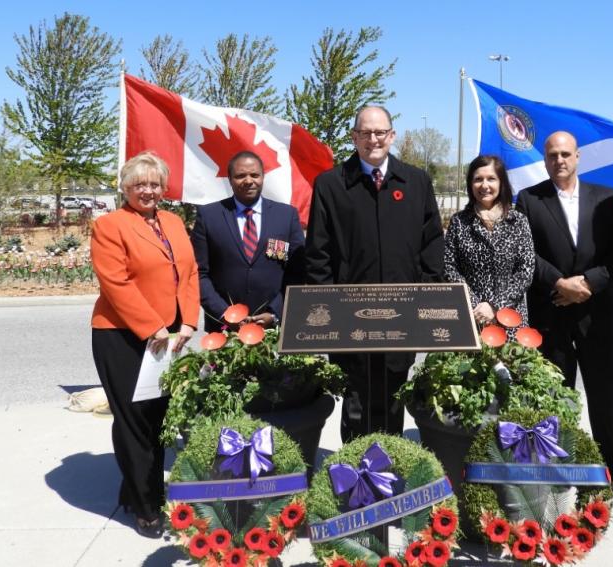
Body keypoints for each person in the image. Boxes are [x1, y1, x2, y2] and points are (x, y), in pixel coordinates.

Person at [306, 105, 444, 441]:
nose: (373, 139)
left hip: (403, 316)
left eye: (380, 132)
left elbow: (432, 247)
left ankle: (391, 468)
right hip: (349, 320)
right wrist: (328, 314)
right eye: (365, 133)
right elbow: (318, 254)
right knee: (355, 399)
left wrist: (423, 302)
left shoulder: (416, 181)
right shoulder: (330, 185)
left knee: (394, 396)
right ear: (354, 137)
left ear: (392, 135)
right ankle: (355, 477)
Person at [515, 131, 613, 495]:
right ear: (545, 158)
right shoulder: (529, 199)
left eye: (566, 154)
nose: (560, 161)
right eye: (552, 155)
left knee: (604, 393)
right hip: (551, 312)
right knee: (555, 395)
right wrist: (560, 284)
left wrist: (588, 283)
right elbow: (526, 254)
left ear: (578, 156)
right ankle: (555, 468)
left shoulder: (605, 199)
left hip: (596, 313)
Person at [90, 151, 200, 539]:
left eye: (154, 184)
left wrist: (188, 320)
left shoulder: (172, 221)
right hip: (121, 335)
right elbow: (115, 283)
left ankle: (132, 486)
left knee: (156, 416)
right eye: (139, 184)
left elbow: (188, 273)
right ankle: (147, 505)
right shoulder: (109, 225)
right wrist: (152, 326)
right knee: (135, 421)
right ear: (125, 187)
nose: (148, 191)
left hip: (170, 334)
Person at [191, 151, 305, 331]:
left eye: (254, 175)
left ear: (263, 177)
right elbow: (198, 273)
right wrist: (223, 313)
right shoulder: (209, 216)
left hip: (275, 326)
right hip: (223, 329)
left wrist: (276, 312)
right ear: (229, 179)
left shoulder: (287, 216)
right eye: (240, 175)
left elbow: (297, 273)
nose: (248, 180)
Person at [443, 155, 534, 331]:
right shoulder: (459, 222)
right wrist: (476, 305)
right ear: (471, 184)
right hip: (471, 318)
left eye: (491, 179)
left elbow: (526, 270)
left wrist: (495, 305)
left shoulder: (518, 221)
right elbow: (449, 267)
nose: (484, 185)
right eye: (478, 179)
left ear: (501, 183)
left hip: (511, 319)